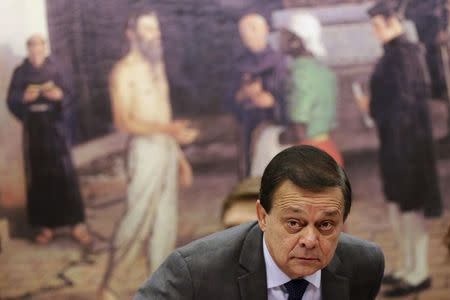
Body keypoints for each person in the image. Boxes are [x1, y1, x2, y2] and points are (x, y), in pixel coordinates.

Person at [134, 145, 384, 300]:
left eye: (326, 225)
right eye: (294, 223)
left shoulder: (364, 264)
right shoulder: (195, 272)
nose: (310, 240)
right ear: (263, 216)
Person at [97, 11, 198, 300]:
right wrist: (169, 129)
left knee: (165, 221)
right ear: (131, 34)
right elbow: (124, 122)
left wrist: (180, 158)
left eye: (156, 29)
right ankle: (111, 286)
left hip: (165, 149)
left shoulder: (157, 67)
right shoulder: (123, 71)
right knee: (137, 218)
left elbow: (164, 115)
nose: (156, 35)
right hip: (144, 152)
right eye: (148, 30)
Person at [361, 1, 443, 297]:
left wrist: (374, 109)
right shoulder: (394, 54)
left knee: (411, 210)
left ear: (392, 22)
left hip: (408, 147)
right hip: (396, 145)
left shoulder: (405, 55)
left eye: (377, 26)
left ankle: (419, 272)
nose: (375, 32)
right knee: (399, 208)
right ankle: (407, 267)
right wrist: (374, 109)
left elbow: (405, 106)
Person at [6, 34, 91, 246]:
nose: (36, 54)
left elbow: (71, 95)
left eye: (39, 49)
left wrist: (59, 96)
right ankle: (46, 227)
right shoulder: (20, 71)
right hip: (34, 130)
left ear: (45, 49)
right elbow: (11, 99)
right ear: (28, 51)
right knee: (38, 177)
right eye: (32, 50)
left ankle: (76, 224)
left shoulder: (57, 68)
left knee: (64, 175)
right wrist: (23, 98)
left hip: (55, 128)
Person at [228, 13, 287, 179]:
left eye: (253, 28)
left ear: (266, 30)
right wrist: (241, 95)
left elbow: (292, 97)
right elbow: (229, 99)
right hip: (246, 125)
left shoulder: (280, 61)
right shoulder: (238, 63)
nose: (248, 33)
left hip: (273, 124)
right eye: (244, 30)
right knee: (248, 169)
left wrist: (273, 102)